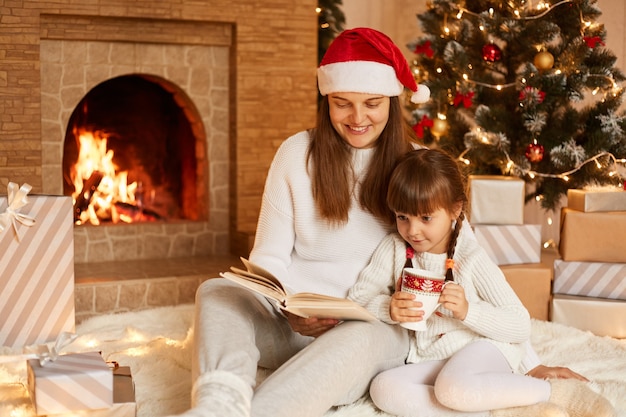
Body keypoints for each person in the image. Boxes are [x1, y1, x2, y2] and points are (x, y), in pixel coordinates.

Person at [169, 27, 588, 417]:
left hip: (376, 327)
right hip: (292, 323)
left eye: (371, 104)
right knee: (218, 292)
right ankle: (218, 404)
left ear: (391, 100)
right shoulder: (296, 154)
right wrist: (285, 307)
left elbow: (462, 249)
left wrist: (529, 364)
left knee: (360, 335)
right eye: (342, 103)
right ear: (325, 100)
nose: (357, 118)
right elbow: (268, 258)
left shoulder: (416, 165)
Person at [348, 148, 616, 417]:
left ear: (455, 209)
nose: (413, 230)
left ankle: (555, 392)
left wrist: (468, 312)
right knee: (384, 388)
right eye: (402, 217)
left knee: (452, 387)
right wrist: (388, 308)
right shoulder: (395, 247)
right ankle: (500, 410)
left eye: (426, 217)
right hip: (435, 357)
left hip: (484, 349)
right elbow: (357, 299)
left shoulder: (471, 259)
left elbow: (520, 323)